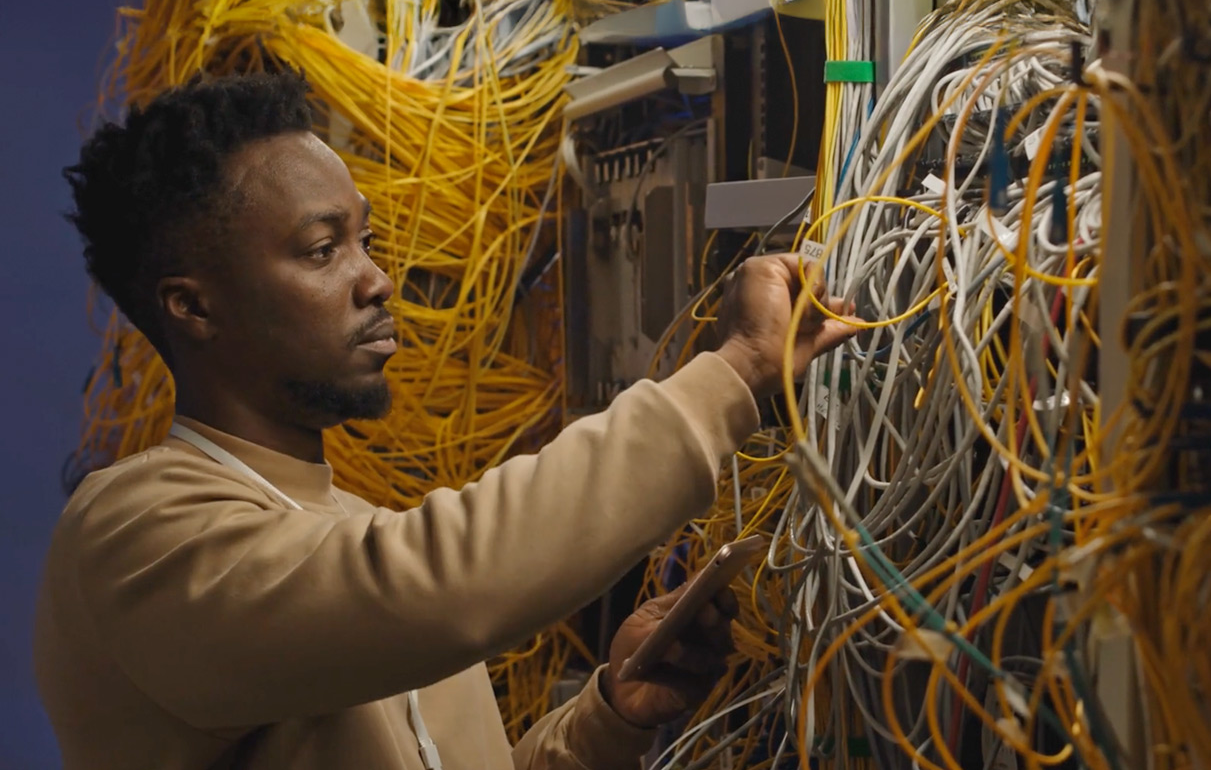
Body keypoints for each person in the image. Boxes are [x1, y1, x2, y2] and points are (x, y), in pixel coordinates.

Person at [35, 71, 857, 770]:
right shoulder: (133, 539)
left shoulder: (342, 531)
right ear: (195, 306)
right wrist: (736, 372)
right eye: (324, 250)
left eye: (366, 239)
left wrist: (609, 716)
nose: (378, 280)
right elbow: (449, 582)